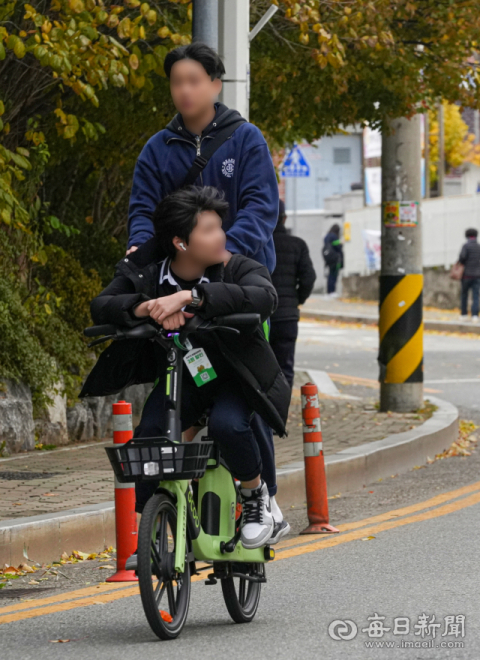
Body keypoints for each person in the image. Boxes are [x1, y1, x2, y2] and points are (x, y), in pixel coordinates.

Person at [125, 41, 285, 538]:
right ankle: (154, 532)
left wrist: (222, 256)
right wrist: (138, 259)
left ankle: (264, 499)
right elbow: (143, 212)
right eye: (177, 82)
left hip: (239, 284)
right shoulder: (159, 147)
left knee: (240, 388)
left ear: (216, 84)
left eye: (195, 80)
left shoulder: (245, 139)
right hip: (177, 282)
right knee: (169, 405)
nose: (186, 90)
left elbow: (261, 208)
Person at [81, 186, 291, 557]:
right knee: (149, 437)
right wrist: (146, 308)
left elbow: (264, 297)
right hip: (186, 377)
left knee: (229, 425)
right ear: (180, 242)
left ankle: (256, 496)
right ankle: (155, 526)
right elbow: (104, 305)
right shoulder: (150, 274)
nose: (220, 236)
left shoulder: (237, 266)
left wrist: (193, 298)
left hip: (238, 379)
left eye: (218, 226)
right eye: (208, 230)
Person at [270, 200, 316, 387]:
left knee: (258, 368)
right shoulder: (297, 245)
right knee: (285, 368)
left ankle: (259, 415)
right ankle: (281, 413)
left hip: (259, 315)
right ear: (285, 218)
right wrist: (297, 300)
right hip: (286, 317)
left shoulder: (258, 244)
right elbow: (309, 278)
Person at [459, 227, 480, 322]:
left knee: (464, 295)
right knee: (476, 295)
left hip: (466, 275)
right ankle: (475, 315)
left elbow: (462, 258)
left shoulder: (466, 246)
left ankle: (464, 314)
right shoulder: (478, 247)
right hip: (477, 275)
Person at [322, 224, 343, 296]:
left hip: (328, 258)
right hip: (335, 258)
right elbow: (338, 246)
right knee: (334, 275)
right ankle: (332, 291)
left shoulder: (326, 236)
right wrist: (341, 243)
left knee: (330, 274)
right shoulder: (334, 236)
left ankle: (329, 291)